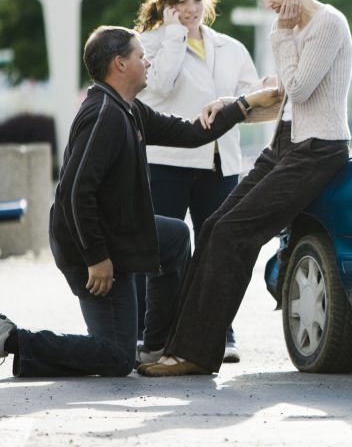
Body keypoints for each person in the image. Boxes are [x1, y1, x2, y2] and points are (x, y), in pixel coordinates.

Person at [0, 26, 281, 377]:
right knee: (115, 357)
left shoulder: (129, 109)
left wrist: (243, 104)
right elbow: (75, 193)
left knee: (176, 236)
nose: (148, 62)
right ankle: (12, 338)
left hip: (118, 238)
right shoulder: (103, 115)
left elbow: (192, 134)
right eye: (140, 56)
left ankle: (156, 345)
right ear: (120, 64)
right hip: (90, 250)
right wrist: (97, 259)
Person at [138, 0, 352, 376]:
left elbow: (302, 87)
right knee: (216, 225)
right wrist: (231, 103)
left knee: (233, 233)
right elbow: (282, 97)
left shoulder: (327, 23)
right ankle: (180, 347)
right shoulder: (294, 28)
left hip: (318, 148)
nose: (269, 4)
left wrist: (282, 35)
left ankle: (197, 353)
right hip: (286, 144)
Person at [134, 0, 264, 364]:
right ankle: (149, 335)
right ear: (166, 4)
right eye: (181, 2)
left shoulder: (230, 47)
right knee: (155, 250)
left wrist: (232, 104)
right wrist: (174, 36)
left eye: (197, 0)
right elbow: (159, 85)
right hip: (167, 162)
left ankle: (220, 333)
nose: (191, 8)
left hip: (218, 163)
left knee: (218, 249)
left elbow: (254, 100)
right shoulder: (148, 44)